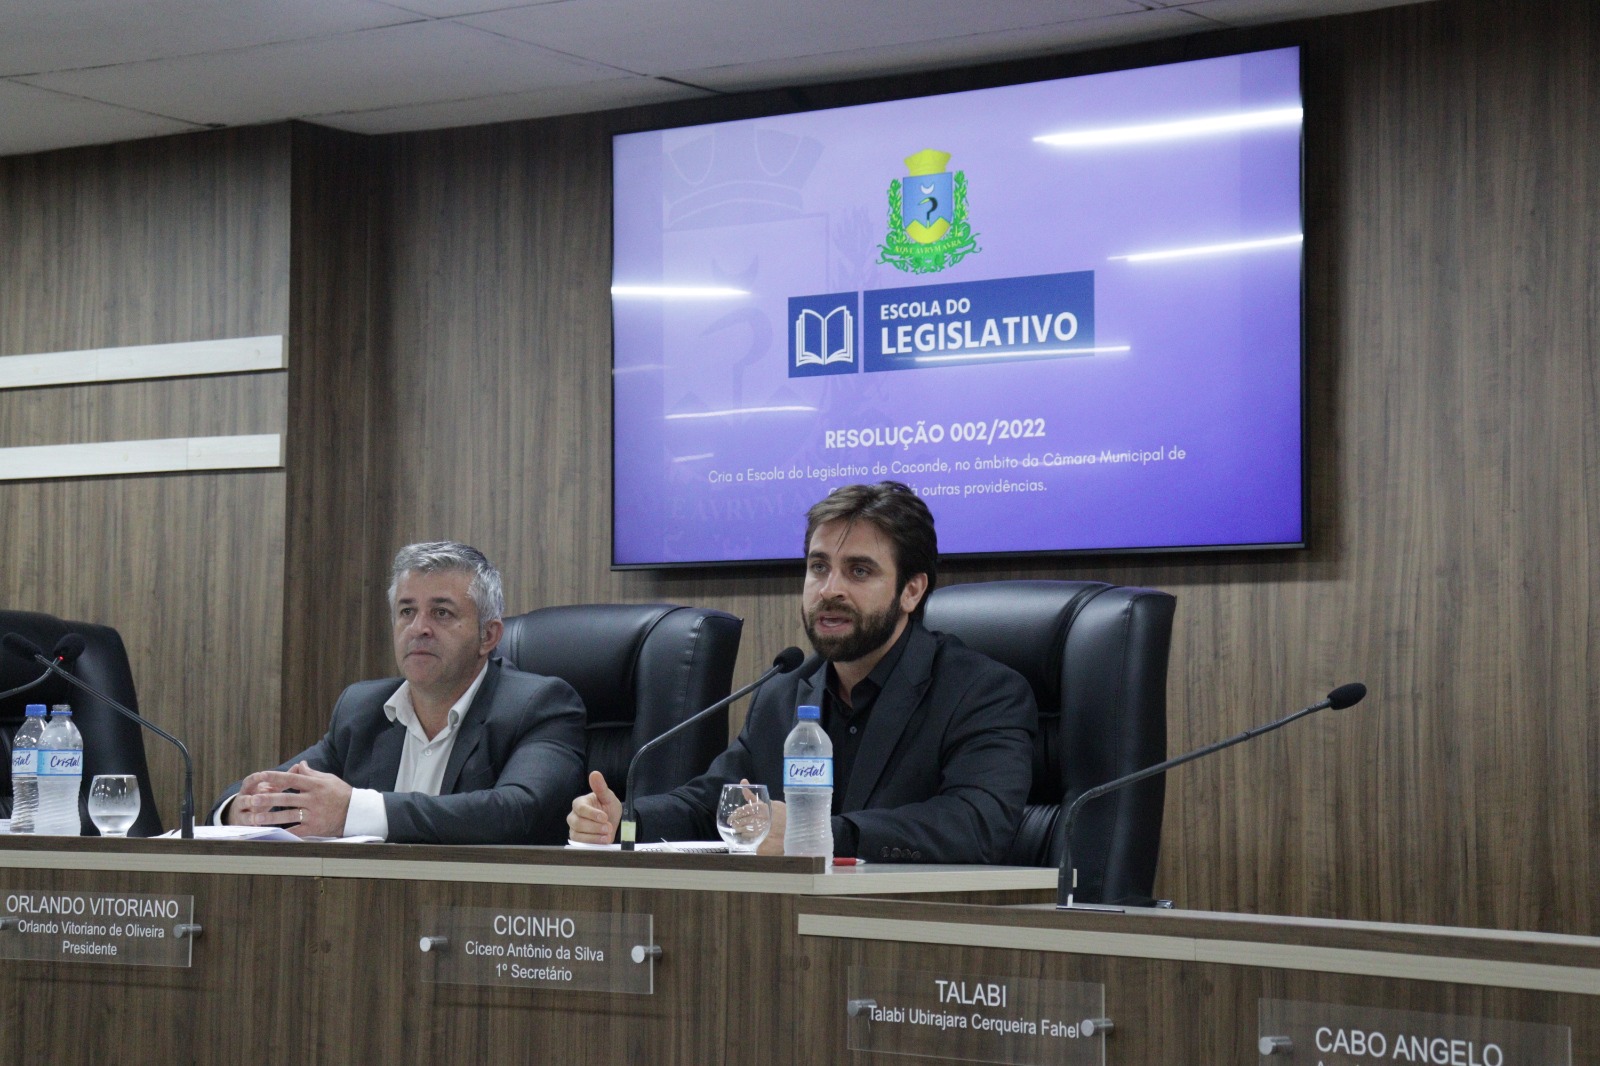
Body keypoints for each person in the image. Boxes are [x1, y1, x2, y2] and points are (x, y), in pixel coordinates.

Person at [568, 482, 1037, 863]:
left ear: (911, 591)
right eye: (818, 567)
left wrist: (822, 835)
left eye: (858, 571)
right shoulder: (785, 691)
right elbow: (715, 802)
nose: (829, 590)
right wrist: (623, 822)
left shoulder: (982, 693)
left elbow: (975, 826)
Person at [213, 541, 585, 844]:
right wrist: (240, 809)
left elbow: (518, 812)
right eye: (407, 611)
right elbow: (280, 786)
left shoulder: (539, 706)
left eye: (441, 613)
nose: (418, 628)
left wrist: (356, 811)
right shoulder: (363, 710)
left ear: (487, 636)